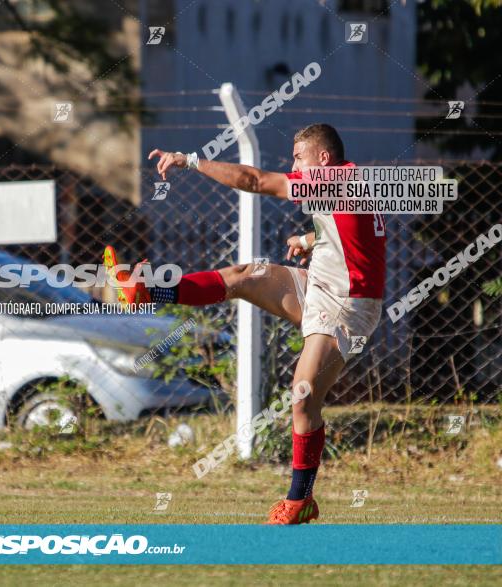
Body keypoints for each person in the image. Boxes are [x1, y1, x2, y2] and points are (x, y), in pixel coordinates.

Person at [104, 123, 386, 524]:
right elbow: (350, 230)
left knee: (303, 396)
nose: (292, 165)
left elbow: (254, 179)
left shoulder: (332, 180)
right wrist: (309, 241)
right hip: (321, 284)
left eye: (297, 157)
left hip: (348, 308)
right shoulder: (346, 180)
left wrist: (192, 161)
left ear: (323, 160)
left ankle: (300, 498)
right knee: (243, 275)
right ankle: (149, 292)